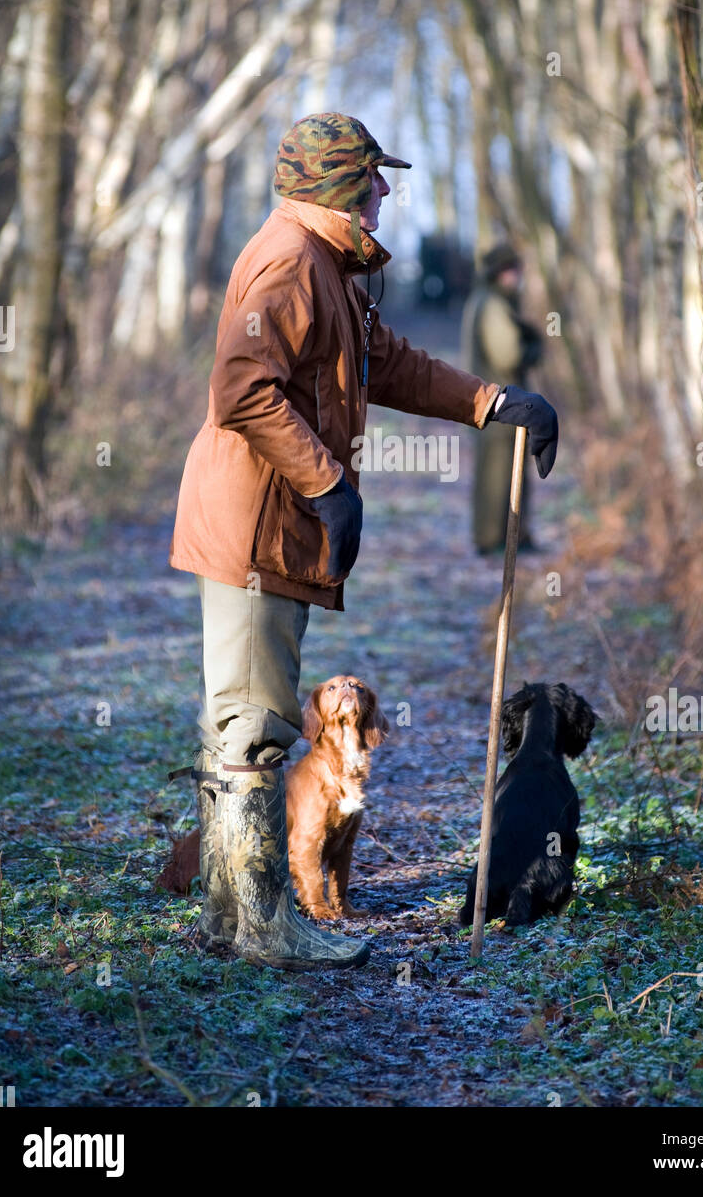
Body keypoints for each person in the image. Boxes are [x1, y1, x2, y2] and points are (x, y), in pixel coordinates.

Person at [169, 113, 559, 971]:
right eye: (371, 178)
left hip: (277, 522)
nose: (384, 191)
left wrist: (494, 403)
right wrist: (326, 482)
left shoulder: (333, 270)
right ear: (337, 186)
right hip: (252, 525)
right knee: (253, 726)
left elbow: (386, 362)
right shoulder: (289, 261)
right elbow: (242, 389)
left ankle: (238, 915)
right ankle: (259, 925)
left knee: (255, 716)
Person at [460, 244, 544, 553]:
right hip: (498, 402)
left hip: (497, 400)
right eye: (512, 270)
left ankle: (509, 537)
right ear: (499, 273)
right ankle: (494, 540)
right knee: (497, 475)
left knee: (505, 471)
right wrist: (532, 349)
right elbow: (508, 354)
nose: (517, 276)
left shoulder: (489, 301)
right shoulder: (493, 305)